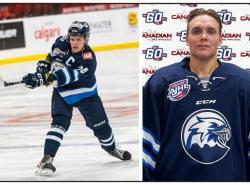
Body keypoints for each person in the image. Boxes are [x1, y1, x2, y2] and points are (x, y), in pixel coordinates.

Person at [143, 8, 250, 181]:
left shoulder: (244, 83)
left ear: (220, 39)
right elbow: (146, 146)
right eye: (196, 31)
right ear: (186, 38)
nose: (203, 36)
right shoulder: (161, 82)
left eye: (211, 31)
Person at [22, 21, 132, 176]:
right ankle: (47, 159)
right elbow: (49, 59)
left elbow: (66, 76)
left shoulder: (88, 58)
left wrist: (43, 78)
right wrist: (39, 72)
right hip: (62, 94)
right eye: (72, 38)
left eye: (79, 39)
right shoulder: (60, 42)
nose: (75, 42)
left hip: (86, 95)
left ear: (86, 39)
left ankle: (112, 148)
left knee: (102, 129)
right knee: (59, 124)